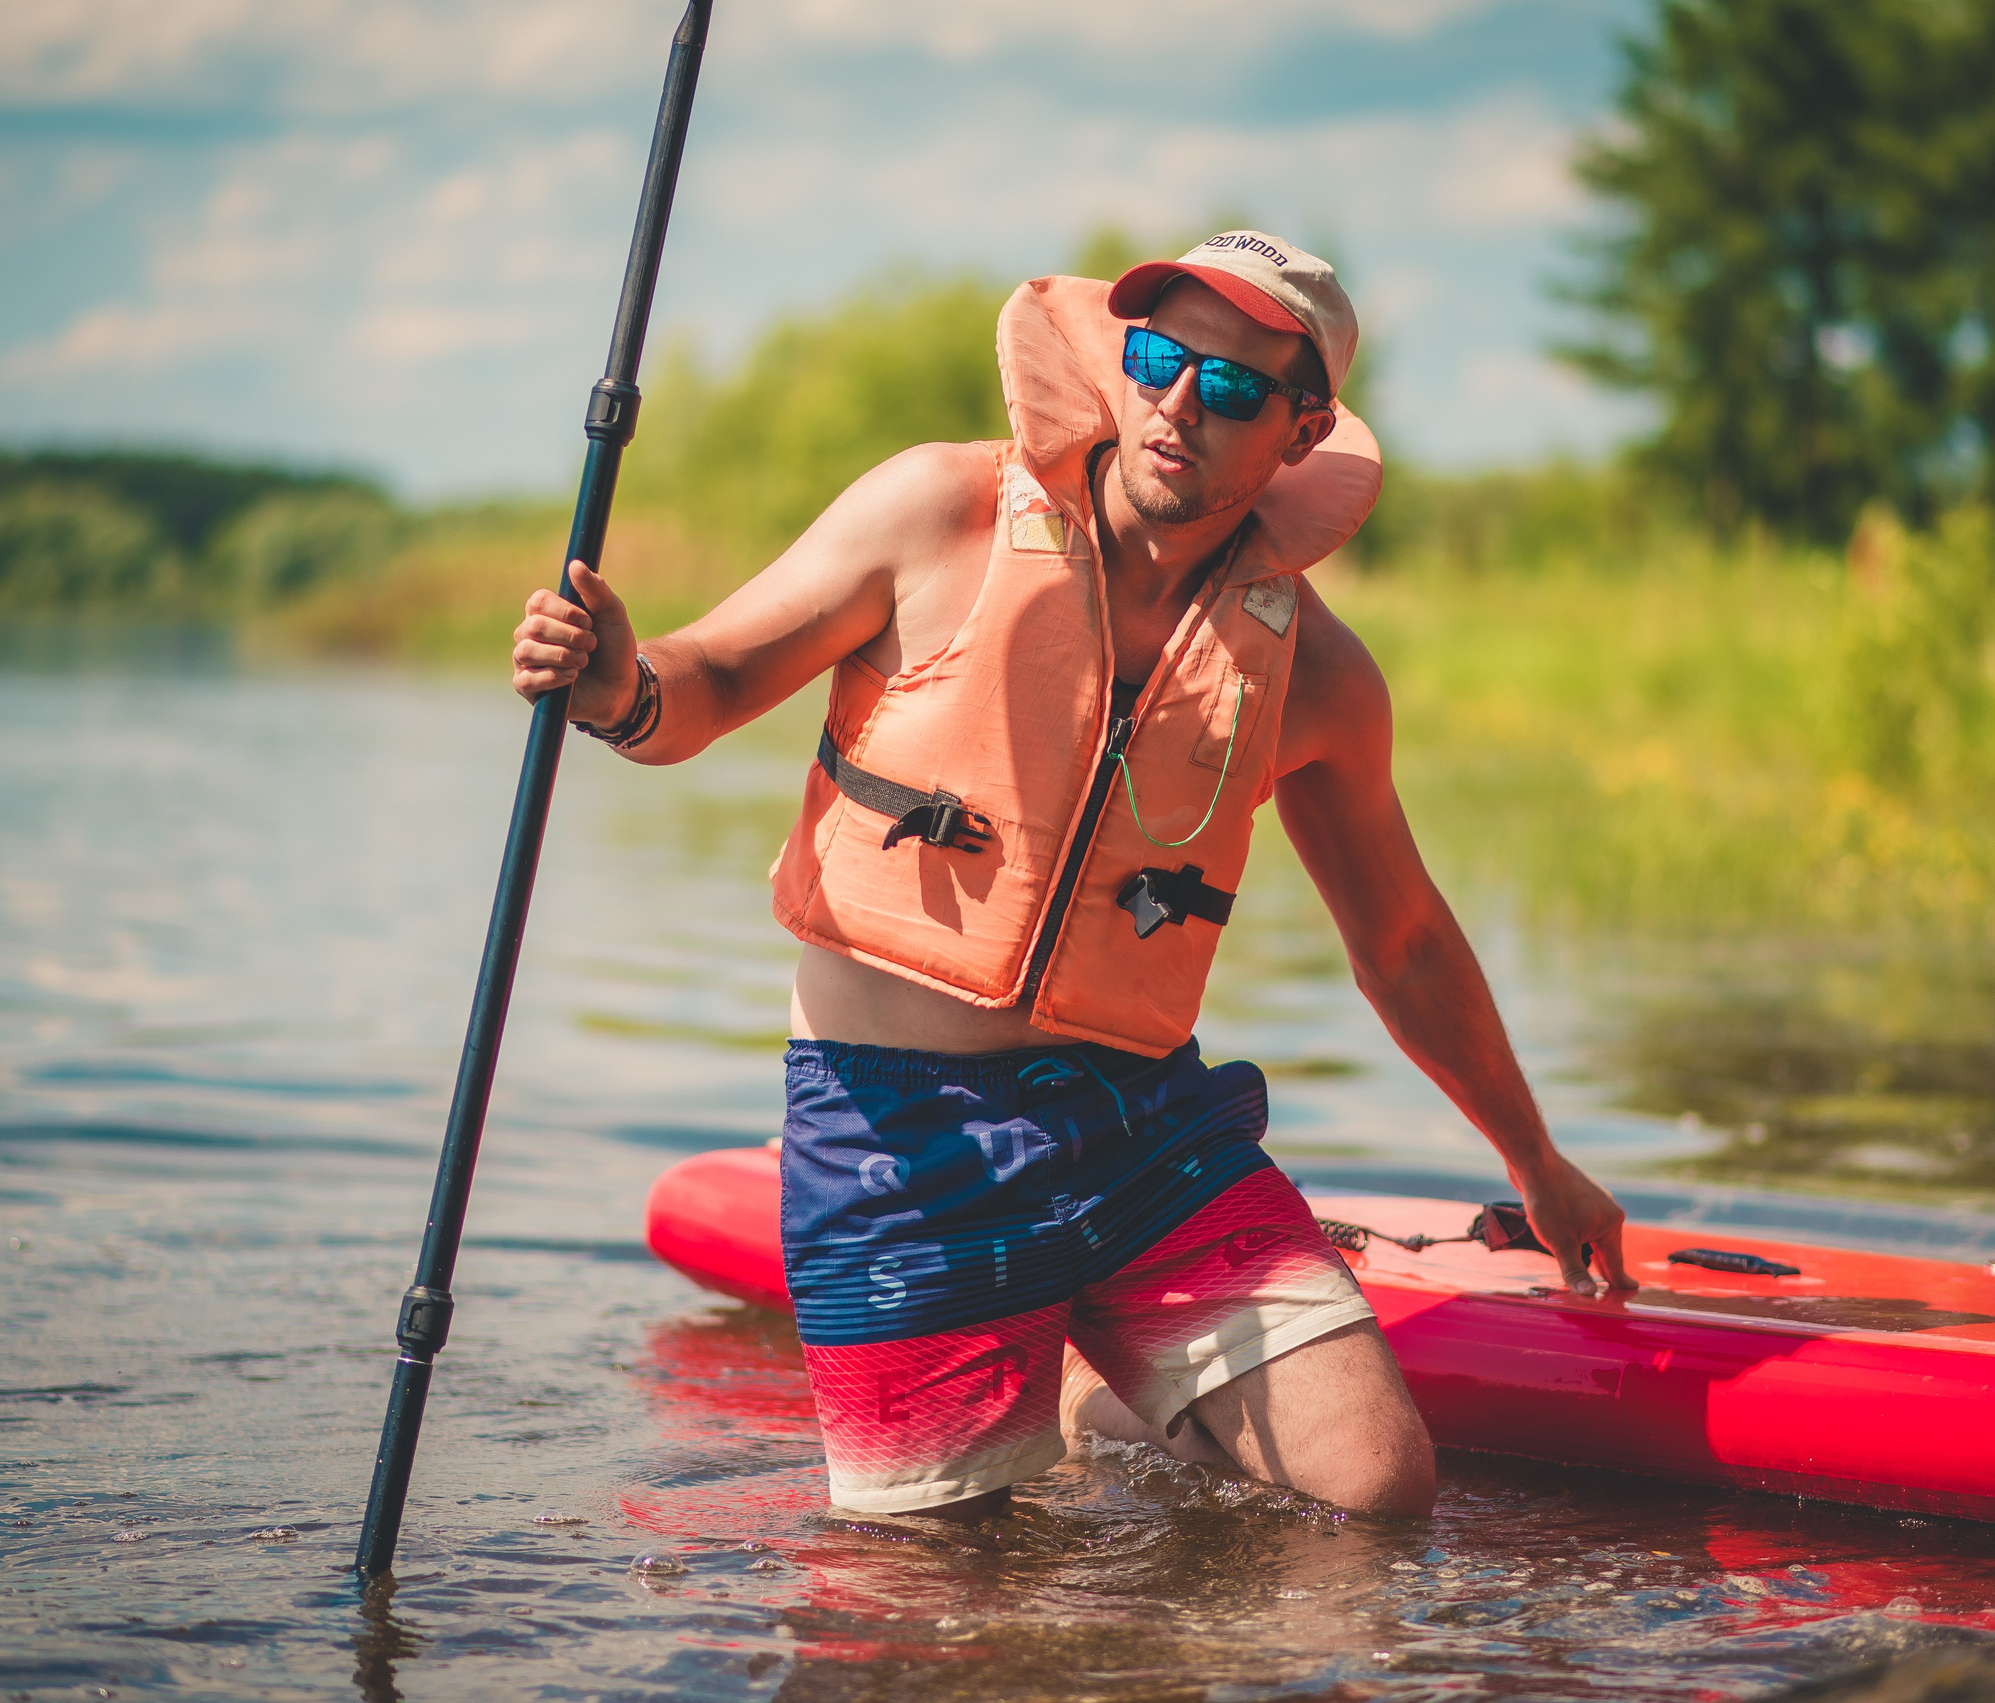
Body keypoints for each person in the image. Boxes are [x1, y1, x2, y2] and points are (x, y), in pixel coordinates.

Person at [511, 231, 1636, 1521]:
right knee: (937, 1596)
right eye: (1159, 359)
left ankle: (1100, 1388)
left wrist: (1536, 1159)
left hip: (1143, 1129)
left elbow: (1405, 943)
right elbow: (707, 679)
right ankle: (1091, 1390)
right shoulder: (936, 512)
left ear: (1303, 431)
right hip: (899, 1136)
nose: (1178, 403)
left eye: (1233, 388)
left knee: (1377, 1491)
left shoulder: (1317, 674)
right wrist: (622, 687)